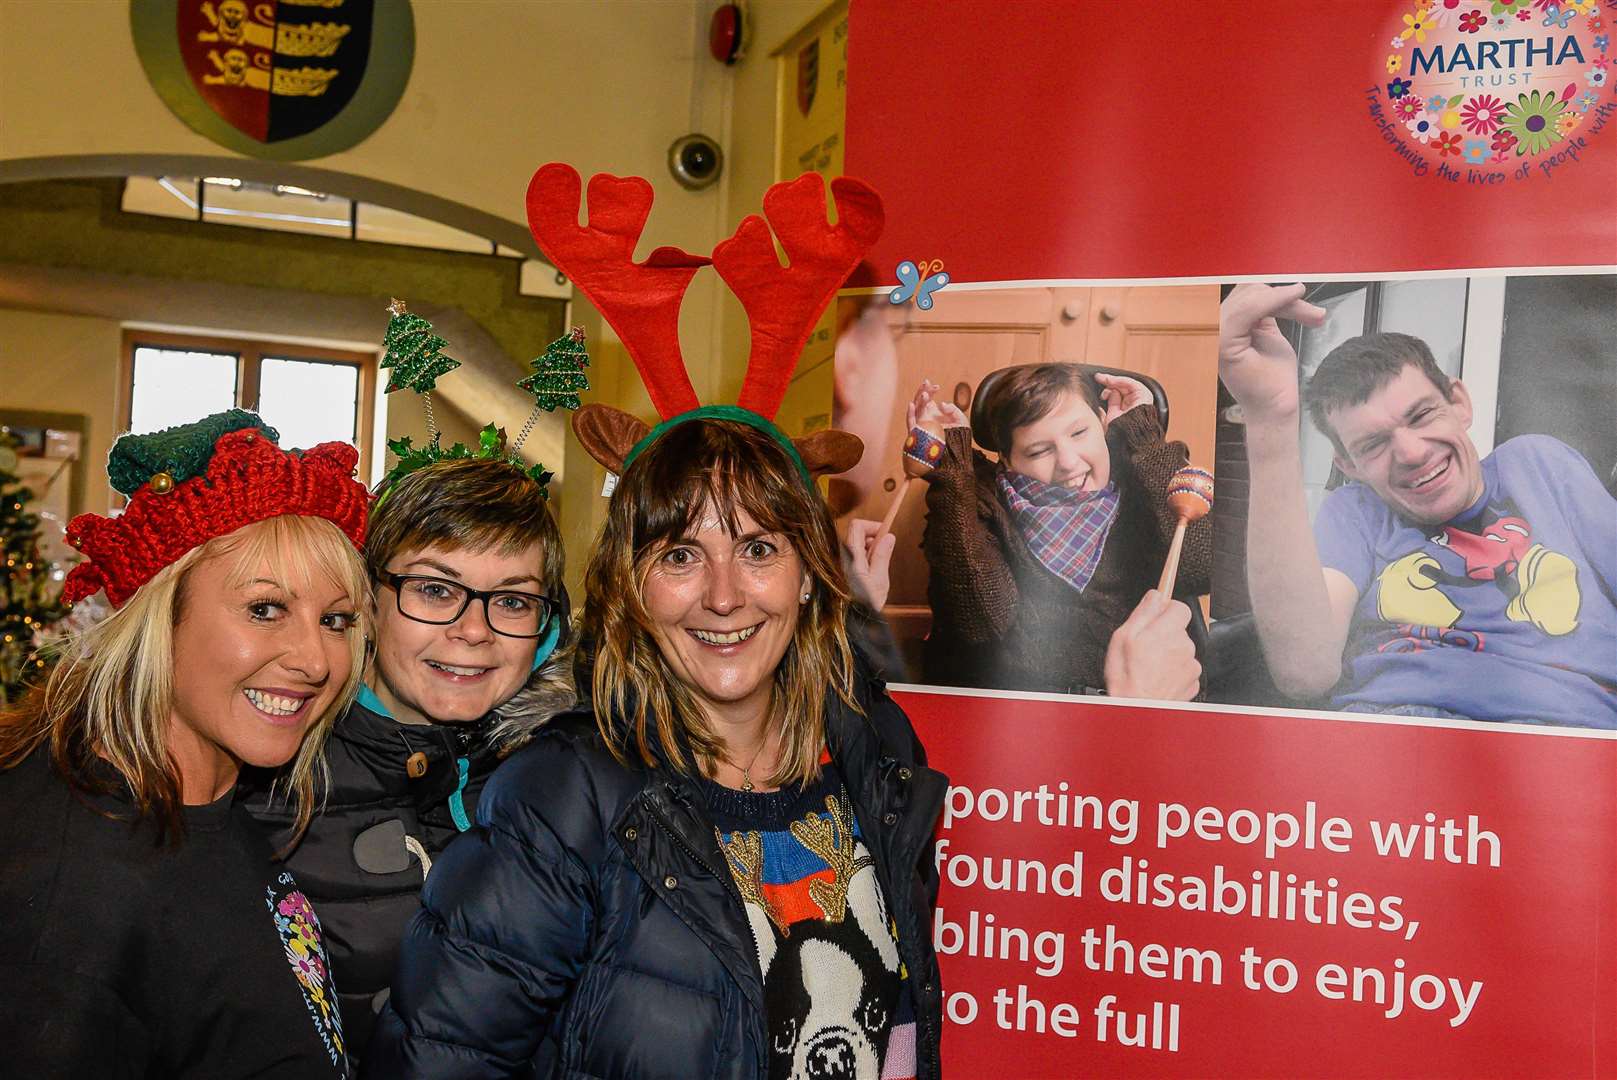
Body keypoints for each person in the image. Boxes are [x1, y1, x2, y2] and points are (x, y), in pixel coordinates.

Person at [365, 417, 949, 1079]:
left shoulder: (876, 751)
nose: (724, 596)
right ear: (630, 584)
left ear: (807, 574)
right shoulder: (563, 798)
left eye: (757, 550)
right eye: (679, 555)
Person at [0, 410, 369, 1077]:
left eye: (336, 620)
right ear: (159, 616)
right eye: (266, 609)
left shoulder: (215, 796)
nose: (316, 660)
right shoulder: (74, 886)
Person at [242, 456, 575, 1061]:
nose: (475, 630)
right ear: (368, 600)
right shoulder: (266, 768)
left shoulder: (562, 785)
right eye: (434, 590)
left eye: (512, 601)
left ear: (546, 628)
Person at [1219, 283, 1617, 727]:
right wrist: (1270, 417)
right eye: (1373, 444)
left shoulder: (1539, 465)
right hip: (1393, 725)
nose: (1411, 452)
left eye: (1422, 415)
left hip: (1561, 730)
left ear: (1459, 404)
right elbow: (1305, 673)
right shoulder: (1355, 513)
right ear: (1347, 464)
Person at [913, 366, 1209, 698]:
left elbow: (1201, 570)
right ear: (1007, 460)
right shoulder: (981, 498)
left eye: (1080, 432)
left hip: (1146, 704)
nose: (1068, 462)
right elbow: (982, 621)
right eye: (1039, 451)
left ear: (1102, 420)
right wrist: (951, 471)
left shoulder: (1146, 477)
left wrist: (1142, 435)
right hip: (1024, 713)